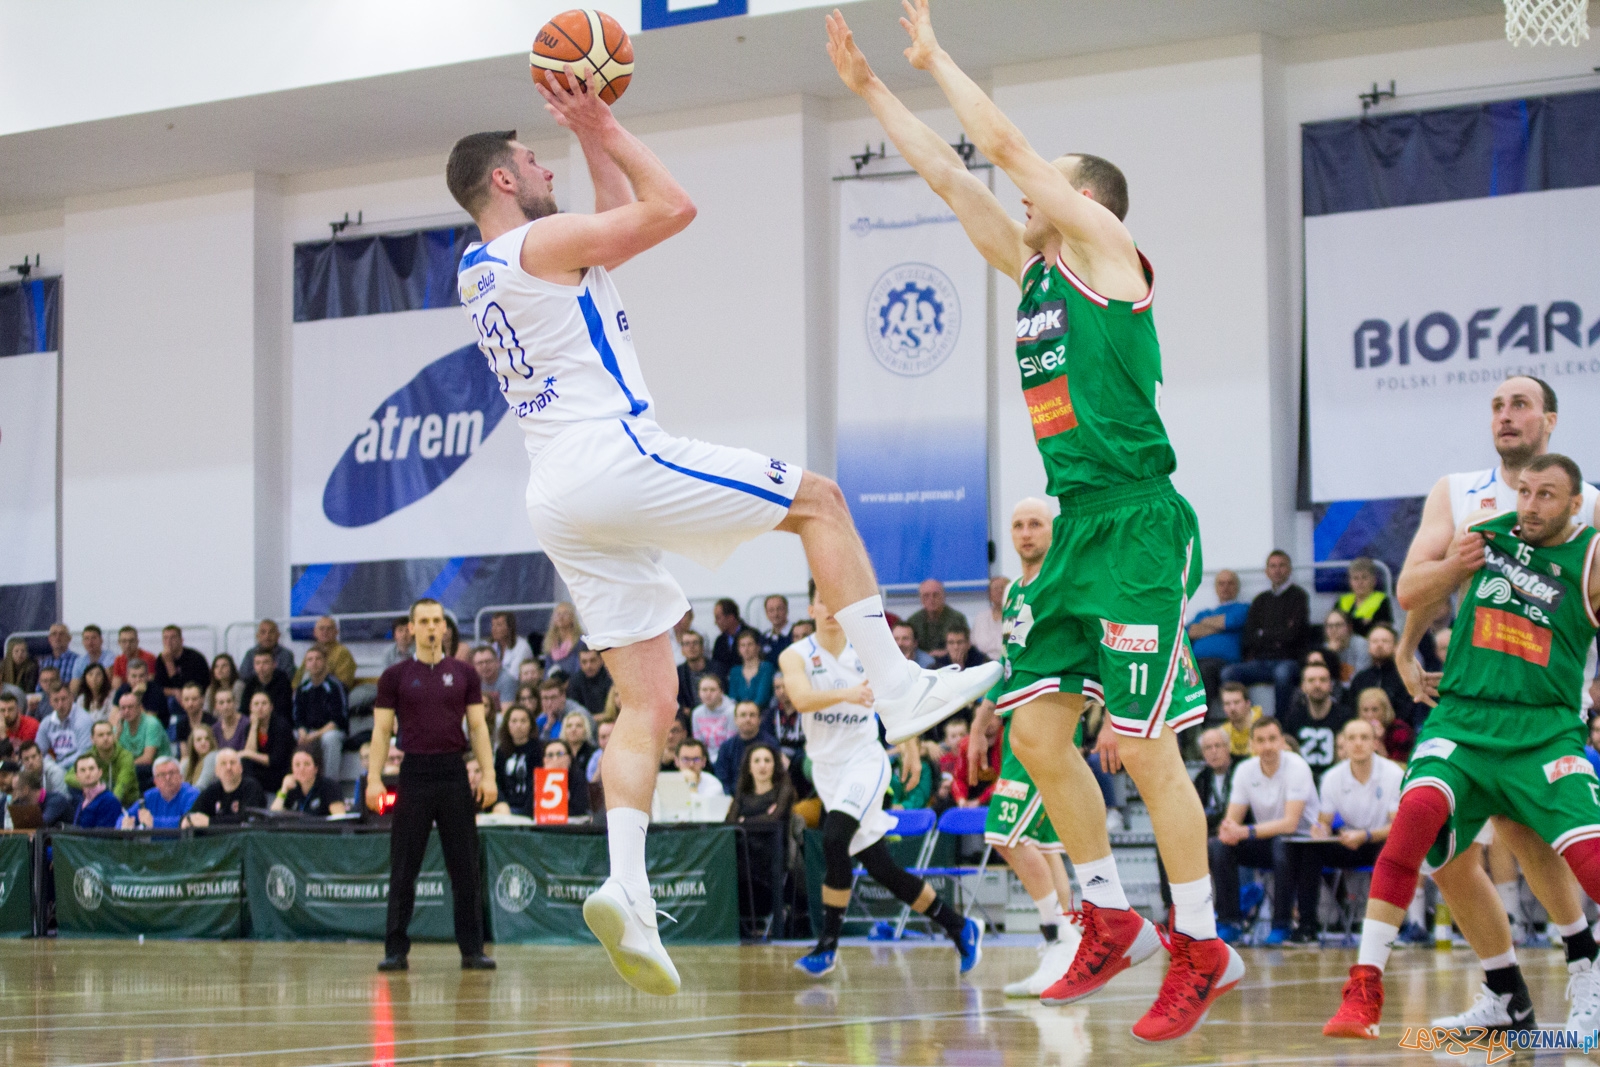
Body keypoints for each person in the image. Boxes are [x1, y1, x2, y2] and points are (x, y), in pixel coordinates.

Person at [449, 97, 997, 995]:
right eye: (534, 160)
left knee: (646, 702)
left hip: (556, 490)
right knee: (820, 500)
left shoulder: (482, 267)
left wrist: (591, 141)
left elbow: (605, 211)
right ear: (503, 178)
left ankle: (627, 886)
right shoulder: (534, 247)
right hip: (611, 452)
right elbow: (670, 209)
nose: (547, 169)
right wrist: (615, 124)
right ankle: (896, 681)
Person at [826, 5, 1236, 1037]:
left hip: (1140, 520)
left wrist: (934, 59)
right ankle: (1105, 911)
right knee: (1037, 728)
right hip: (1078, 526)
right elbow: (955, 178)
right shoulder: (1037, 269)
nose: (1021, 181)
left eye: (1047, 174)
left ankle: (1201, 940)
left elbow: (999, 147)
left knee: (1144, 751)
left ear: (1086, 197)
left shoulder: (1107, 253)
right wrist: (876, 92)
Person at [1326, 454, 1600, 1041]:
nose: (1530, 504)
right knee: (1417, 822)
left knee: (1586, 861)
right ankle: (1366, 986)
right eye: (1524, 492)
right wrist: (1408, 646)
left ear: (1576, 503)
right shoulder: (1482, 531)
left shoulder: (1590, 555)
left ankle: (1584, 967)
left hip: (1544, 729)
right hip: (1464, 719)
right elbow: (1415, 590)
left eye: (1547, 495)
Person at [781, 583, 982, 977]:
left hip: (865, 761)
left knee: (835, 837)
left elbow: (900, 699)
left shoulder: (866, 650)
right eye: (824, 600)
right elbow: (802, 700)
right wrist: (848, 693)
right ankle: (958, 925)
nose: (831, 608)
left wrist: (909, 746)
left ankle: (827, 946)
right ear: (811, 607)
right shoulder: (797, 654)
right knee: (880, 867)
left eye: (837, 600)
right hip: (826, 770)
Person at [968, 498, 1079, 997]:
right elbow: (1012, 664)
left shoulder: (1066, 580)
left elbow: (1094, 649)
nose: (1026, 532)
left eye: (1036, 523)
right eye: (1018, 525)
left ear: (1053, 532)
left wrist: (1109, 719)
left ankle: (1059, 936)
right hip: (1018, 724)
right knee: (1043, 843)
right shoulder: (1014, 591)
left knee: (1004, 836)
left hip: (1051, 720)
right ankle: (1069, 940)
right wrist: (980, 722)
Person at [367, 598, 496, 972]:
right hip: (414, 774)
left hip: (454, 772)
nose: (430, 627)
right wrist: (374, 779)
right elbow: (380, 731)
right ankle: (395, 950)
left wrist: (488, 775)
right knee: (404, 866)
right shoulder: (394, 677)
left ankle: (472, 950)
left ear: (444, 627)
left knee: (465, 868)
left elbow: (478, 727)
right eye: (422, 621)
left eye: (436, 620)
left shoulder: (465, 674)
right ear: (411, 628)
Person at [1210, 717, 1318, 946]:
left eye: (1272, 739)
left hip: (1302, 843)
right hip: (1266, 840)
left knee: (1281, 843)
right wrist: (1228, 830)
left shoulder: (1297, 766)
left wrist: (1244, 831)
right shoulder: (1244, 770)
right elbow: (1231, 821)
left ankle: (1282, 925)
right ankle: (1230, 922)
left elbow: (1290, 823)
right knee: (1219, 846)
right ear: (1252, 746)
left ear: (1281, 742)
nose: (1267, 746)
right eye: (1260, 740)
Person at [1292, 719, 1399, 945]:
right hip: (1348, 840)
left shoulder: (1392, 774)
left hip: (1380, 840)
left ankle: (1388, 927)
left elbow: (1398, 827)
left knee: (1396, 849)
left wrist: (1366, 835)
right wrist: (1319, 830)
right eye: (1352, 738)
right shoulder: (1331, 777)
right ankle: (1307, 925)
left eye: (1364, 738)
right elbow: (1325, 823)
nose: (1358, 743)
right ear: (1343, 744)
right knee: (1310, 852)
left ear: (1375, 743)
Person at [1222, 551, 1310, 716]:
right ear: (1267, 571)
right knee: (1229, 673)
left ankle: (1281, 724)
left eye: (1281, 565)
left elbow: (1294, 634)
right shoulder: (1260, 600)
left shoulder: (1299, 596)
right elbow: (1250, 635)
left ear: (1289, 569)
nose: (1277, 570)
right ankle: (1249, 719)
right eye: (1273, 566)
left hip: (1288, 660)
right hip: (1260, 662)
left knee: (1282, 674)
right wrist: (1277, 635)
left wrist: (1264, 634)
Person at [1277, 659, 1352, 783]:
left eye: (1323, 680)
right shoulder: (1293, 717)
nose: (1317, 685)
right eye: (1311, 680)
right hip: (1301, 783)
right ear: (1303, 686)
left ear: (1331, 685)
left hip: (1338, 782)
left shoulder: (1346, 717)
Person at [1187, 571, 1249, 711]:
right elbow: (1190, 632)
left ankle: (1201, 723)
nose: (1225, 587)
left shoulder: (1242, 608)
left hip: (1221, 662)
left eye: (1230, 583)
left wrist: (1204, 624)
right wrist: (1220, 626)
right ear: (1215, 588)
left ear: (1237, 587)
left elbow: (1230, 621)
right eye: (1221, 583)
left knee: (1203, 672)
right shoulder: (1204, 613)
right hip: (1194, 661)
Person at [293, 647, 349, 779]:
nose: (314, 662)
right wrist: (302, 732)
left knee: (330, 738)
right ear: (306, 665)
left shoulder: (336, 686)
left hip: (330, 731)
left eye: (318, 659)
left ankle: (330, 782)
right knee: (291, 735)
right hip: (308, 730)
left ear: (325, 662)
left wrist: (314, 736)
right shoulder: (302, 688)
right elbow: (297, 717)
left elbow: (338, 719)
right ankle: (298, 780)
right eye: (310, 659)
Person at [1346, 624, 1414, 730]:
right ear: (1368, 646)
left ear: (1395, 646)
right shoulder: (1360, 679)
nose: (1379, 645)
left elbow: (1408, 712)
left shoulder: (1404, 678)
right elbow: (1352, 709)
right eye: (1374, 641)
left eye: (1385, 641)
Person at [66, 719, 140, 807]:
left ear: (113, 735)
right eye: (101, 735)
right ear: (92, 739)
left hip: (126, 804)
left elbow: (122, 785)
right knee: (72, 788)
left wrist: (108, 803)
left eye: (109, 734)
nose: (105, 738)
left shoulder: (125, 756)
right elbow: (68, 777)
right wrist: (93, 784)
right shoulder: (89, 756)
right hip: (98, 799)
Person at [185, 748, 267, 827]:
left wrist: (210, 822)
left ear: (241, 768)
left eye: (232, 763)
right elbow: (192, 813)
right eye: (223, 763)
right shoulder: (212, 790)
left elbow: (247, 820)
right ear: (216, 771)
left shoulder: (251, 787)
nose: (228, 767)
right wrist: (186, 820)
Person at [711, 701, 777, 795]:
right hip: (734, 797)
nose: (748, 719)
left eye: (752, 715)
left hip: (764, 796)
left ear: (759, 719)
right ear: (735, 720)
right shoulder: (726, 747)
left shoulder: (771, 745)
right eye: (743, 715)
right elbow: (722, 779)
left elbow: (776, 776)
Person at [116, 689, 172, 791]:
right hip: (133, 767)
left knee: (135, 772)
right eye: (123, 708)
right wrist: (117, 735)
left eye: (130, 707)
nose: (126, 711)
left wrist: (125, 766)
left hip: (158, 766)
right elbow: (113, 756)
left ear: (139, 708)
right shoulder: (119, 726)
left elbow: (147, 759)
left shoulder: (151, 724)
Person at [124, 756, 200, 830]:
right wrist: (124, 823)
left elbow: (190, 820)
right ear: (155, 782)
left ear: (181, 777)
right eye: (162, 775)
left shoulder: (192, 794)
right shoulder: (149, 796)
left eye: (172, 773)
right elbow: (126, 815)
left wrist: (154, 822)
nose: (167, 778)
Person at [241, 690, 294, 794]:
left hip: (278, 771)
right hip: (259, 772)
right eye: (256, 704)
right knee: (245, 764)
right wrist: (254, 727)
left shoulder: (281, 726)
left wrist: (249, 754)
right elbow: (249, 755)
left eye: (264, 703)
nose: (260, 707)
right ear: (250, 708)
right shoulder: (249, 727)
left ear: (271, 707)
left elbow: (276, 760)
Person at [272, 748, 347, 816]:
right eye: (297, 765)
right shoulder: (291, 789)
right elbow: (274, 816)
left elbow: (339, 819)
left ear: (316, 769)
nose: (302, 769)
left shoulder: (330, 787)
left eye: (307, 764)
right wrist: (284, 789)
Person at [494, 705, 540, 816]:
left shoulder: (538, 750)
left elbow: (536, 782)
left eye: (523, 721)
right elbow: (498, 781)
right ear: (507, 725)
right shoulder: (501, 751)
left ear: (530, 725)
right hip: (506, 807)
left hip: (529, 807)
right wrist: (502, 804)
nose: (518, 725)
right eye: (514, 721)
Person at [35, 683, 93, 768]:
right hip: (56, 767)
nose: (60, 705)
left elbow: (85, 753)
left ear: (72, 699)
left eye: (64, 699)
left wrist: (59, 766)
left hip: (79, 767)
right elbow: (38, 751)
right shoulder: (47, 723)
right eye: (56, 700)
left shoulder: (83, 719)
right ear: (50, 702)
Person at [153, 625, 210, 707]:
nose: (169, 642)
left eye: (173, 638)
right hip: (172, 698)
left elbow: (186, 686)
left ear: (181, 640)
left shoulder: (194, 658)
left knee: (173, 702)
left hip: (195, 697)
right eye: (165, 638)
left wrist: (169, 664)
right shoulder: (161, 659)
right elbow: (158, 687)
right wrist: (174, 691)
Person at [905, 579, 968, 654]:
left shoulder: (958, 619)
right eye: (926, 595)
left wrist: (945, 653)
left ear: (943, 596)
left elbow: (965, 645)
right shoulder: (913, 621)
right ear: (921, 599)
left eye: (935, 595)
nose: (931, 599)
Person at [295, 616, 357, 690]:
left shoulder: (342, 652)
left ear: (336, 632)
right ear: (315, 632)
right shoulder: (311, 652)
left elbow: (343, 683)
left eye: (329, 628)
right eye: (321, 628)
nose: (325, 632)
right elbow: (298, 679)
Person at [1336, 558, 1393, 638]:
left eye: (1364, 577)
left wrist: (1350, 622)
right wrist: (1362, 622)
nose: (1360, 582)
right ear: (1350, 582)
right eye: (1355, 578)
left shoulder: (1381, 600)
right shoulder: (1343, 600)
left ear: (1373, 581)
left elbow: (1383, 629)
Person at [1355, 687, 1413, 764]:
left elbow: (1398, 767)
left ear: (1385, 710)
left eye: (1375, 709)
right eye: (1365, 710)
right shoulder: (1355, 731)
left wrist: (1379, 741)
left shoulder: (1400, 731)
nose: (1370, 715)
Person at [690, 674, 738, 762]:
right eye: (704, 690)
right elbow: (698, 742)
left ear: (721, 692)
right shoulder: (696, 713)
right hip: (705, 759)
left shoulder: (731, 711)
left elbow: (731, 742)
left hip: (726, 758)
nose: (708, 694)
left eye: (712, 690)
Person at [71, 752, 123, 828]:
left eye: (91, 769)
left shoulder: (109, 801)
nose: (88, 773)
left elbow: (105, 836)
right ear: (77, 776)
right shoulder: (83, 799)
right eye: (83, 770)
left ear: (100, 772)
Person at [727, 630, 776, 710]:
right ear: (738, 649)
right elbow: (733, 698)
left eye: (750, 644)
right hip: (740, 715)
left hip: (762, 713)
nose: (746, 649)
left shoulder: (766, 668)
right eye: (742, 645)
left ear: (757, 647)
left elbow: (762, 697)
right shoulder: (734, 671)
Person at [241, 650, 293, 725]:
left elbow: (283, 711)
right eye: (258, 663)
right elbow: (244, 710)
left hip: (279, 725)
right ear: (254, 666)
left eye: (265, 662)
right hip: (254, 723)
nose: (261, 667)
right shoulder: (250, 683)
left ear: (274, 664)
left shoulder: (283, 681)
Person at [542, 739, 589, 821]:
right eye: (550, 755)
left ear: (569, 759)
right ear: (544, 760)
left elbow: (579, 809)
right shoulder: (538, 779)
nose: (555, 759)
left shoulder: (578, 778)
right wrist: (547, 777)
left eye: (559, 754)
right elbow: (528, 810)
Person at [1319, 610, 1370, 684]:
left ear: (1349, 627)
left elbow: (1361, 678)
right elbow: (1324, 680)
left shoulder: (1361, 645)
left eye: (1338, 625)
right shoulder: (1325, 649)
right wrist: (1330, 654)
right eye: (1329, 626)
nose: (1334, 630)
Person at [173, 682, 216, 764]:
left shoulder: (212, 722)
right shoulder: (181, 724)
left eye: (194, 699)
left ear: (202, 699)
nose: (190, 704)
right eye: (186, 699)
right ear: (182, 701)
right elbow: (184, 755)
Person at [675, 631, 717, 712]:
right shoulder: (678, 673)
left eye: (695, 643)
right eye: (687, 644)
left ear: (702, 648)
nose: (691, 647)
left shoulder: (717, 669)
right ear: (682, 650)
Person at [567, 644, 613, 717]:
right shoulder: (575, 680)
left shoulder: (611, 677)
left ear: (601, 660)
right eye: (584, 662)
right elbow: (574, 710)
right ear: (579, 663)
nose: (588, 665)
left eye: (592, 660)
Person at [970, 576, 1010, 661]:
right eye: (995, 588)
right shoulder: (980, 618)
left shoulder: (1016, 616)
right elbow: (973, 645)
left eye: (1003, 588)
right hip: (983, 664)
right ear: (989, 594)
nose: (1000, 591)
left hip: (1009, 663)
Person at [472, 644, 519, 711]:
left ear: (497, 662)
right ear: (474, 666)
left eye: (488, 661)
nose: (484, 666)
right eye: (480, 663)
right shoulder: (472, 681)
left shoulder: (507, 680)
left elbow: (506, 713)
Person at [39, 624, 81, 696]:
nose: (57, 638)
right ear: (49, 639)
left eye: (61, 634)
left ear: (69, 638)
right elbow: (39, 688)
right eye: (54, 634)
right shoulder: (44, 662)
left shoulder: (78, 661)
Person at [488, 611, 533, 677]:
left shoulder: (522, 647)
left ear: (509, 628)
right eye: (493, 625)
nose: (494, 629)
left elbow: (513, 675)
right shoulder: (491, 647)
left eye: (499, 625)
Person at [210, 687, 249, 755]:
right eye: (221, 703)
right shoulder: (214, 729)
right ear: (216, 706)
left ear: (234, 703)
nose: (226, 706)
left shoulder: (246, 724)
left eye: (229, 701)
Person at [183, 723, 218, 790]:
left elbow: (201, 787)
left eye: (207, 738)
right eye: (199, 739)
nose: (203, 742)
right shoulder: (187, 762)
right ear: (192, 743)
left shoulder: (213, 757)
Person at [758, 595, 792, 664]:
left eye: (779, 609)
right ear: (766, 613)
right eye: (771, 610)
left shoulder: (796, 633)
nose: (775, 614)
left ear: (786, 610)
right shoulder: (764, 638)